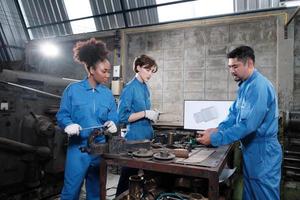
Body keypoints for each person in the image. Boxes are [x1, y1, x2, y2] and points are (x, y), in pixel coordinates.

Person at [197, 46, 282, 200]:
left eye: (235, 66)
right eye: (230, 67)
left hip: (263, 152)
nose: (231, 71)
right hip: (251, 151)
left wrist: (216, 139)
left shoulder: (258, 87)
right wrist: (217, 130)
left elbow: (247, 125)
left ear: (249, 63)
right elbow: (234, 115)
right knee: (250, 194)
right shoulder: (246, 86)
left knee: (263, 194)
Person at [56, 38, 118, 200]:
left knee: (96, 193)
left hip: (99, 150)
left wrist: (113, 123)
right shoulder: (73, 90)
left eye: (109, 71)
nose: (108, 75)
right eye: (104, 71)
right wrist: (68, 124)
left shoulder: (107, 94)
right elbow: (62, 114)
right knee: (70, 192)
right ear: (91, 70)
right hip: (78, 149)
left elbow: (113, 115)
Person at [115, 54, 159, 196]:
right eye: (147, 70)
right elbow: (122, 116)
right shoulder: (130, 88)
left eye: (152, 71)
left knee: (147, 179)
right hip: (134, 140)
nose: (150, 74)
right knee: (128, 177)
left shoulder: (145, 87)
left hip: (146, 138)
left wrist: (151, 114)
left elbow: (142, 111)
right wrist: (145, 113)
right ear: (138, 67)